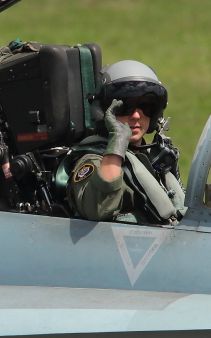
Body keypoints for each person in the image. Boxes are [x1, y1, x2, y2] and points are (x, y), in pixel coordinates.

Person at [66, 60, 187, 224]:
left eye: (145, 106)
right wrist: (118, 140)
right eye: (125, 107)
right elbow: (98, 207)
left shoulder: (155, 159)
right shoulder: (94, 160)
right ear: (104, 113)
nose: (136, 116)